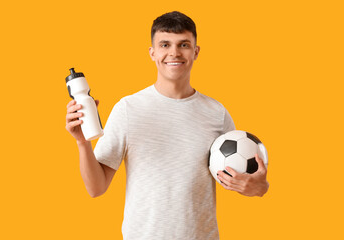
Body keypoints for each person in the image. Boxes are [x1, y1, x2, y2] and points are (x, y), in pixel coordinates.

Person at [65, 11, 269, 240]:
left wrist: (259, 187)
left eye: (183, 44)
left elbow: (245, 179)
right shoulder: (128, 109)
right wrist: (82, 142)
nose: (174, 52)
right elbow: (96, 188)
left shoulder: (217, 113)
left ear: (196, 51)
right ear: (152, 53)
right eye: (164, 44)